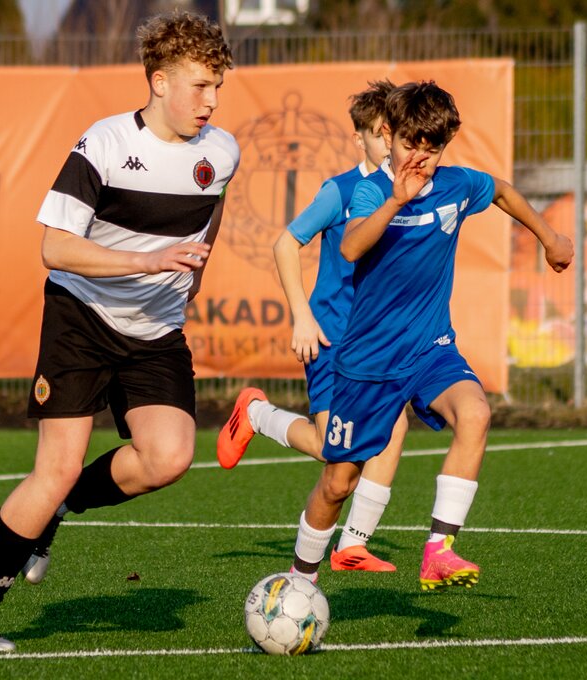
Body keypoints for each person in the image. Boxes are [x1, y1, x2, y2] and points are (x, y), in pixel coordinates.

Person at [0, 10, 239, 653]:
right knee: (54, 468)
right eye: (199, 86)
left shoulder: (222, 151)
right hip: (80, 318)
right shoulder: (103, 144)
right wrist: (146, 262)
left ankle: (61, 509)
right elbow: (55, 248)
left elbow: (211, 213)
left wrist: (195, 269)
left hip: (156, 329)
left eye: (217, 87)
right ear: (159, 82)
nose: (211, 102)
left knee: (168, 458)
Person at [288, 81, 573, 591]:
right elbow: (351, 247)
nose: (419, 157)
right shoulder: (372, 191)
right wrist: (396, 201)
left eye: (433, 147)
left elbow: (501, 190)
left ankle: (439, 550)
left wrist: (549, 237)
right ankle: (299, 578)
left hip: (429, 349)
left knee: (476, 413)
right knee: (338, 481)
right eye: (409, 144)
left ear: (447, 144)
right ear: (388, 135)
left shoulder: (456, 185)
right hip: (368, 362)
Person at [216, 81, 407, 573]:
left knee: (391, 425)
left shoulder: (408, 192)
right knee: (333, 450)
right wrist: (302, 315)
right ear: (359, 139)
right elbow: (285, 244)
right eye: (379, 133)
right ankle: (257, 414)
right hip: (332, 336)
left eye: (396, 132)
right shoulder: (340, 191)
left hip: (376, 343)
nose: (390, 143)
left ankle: (353, 545)